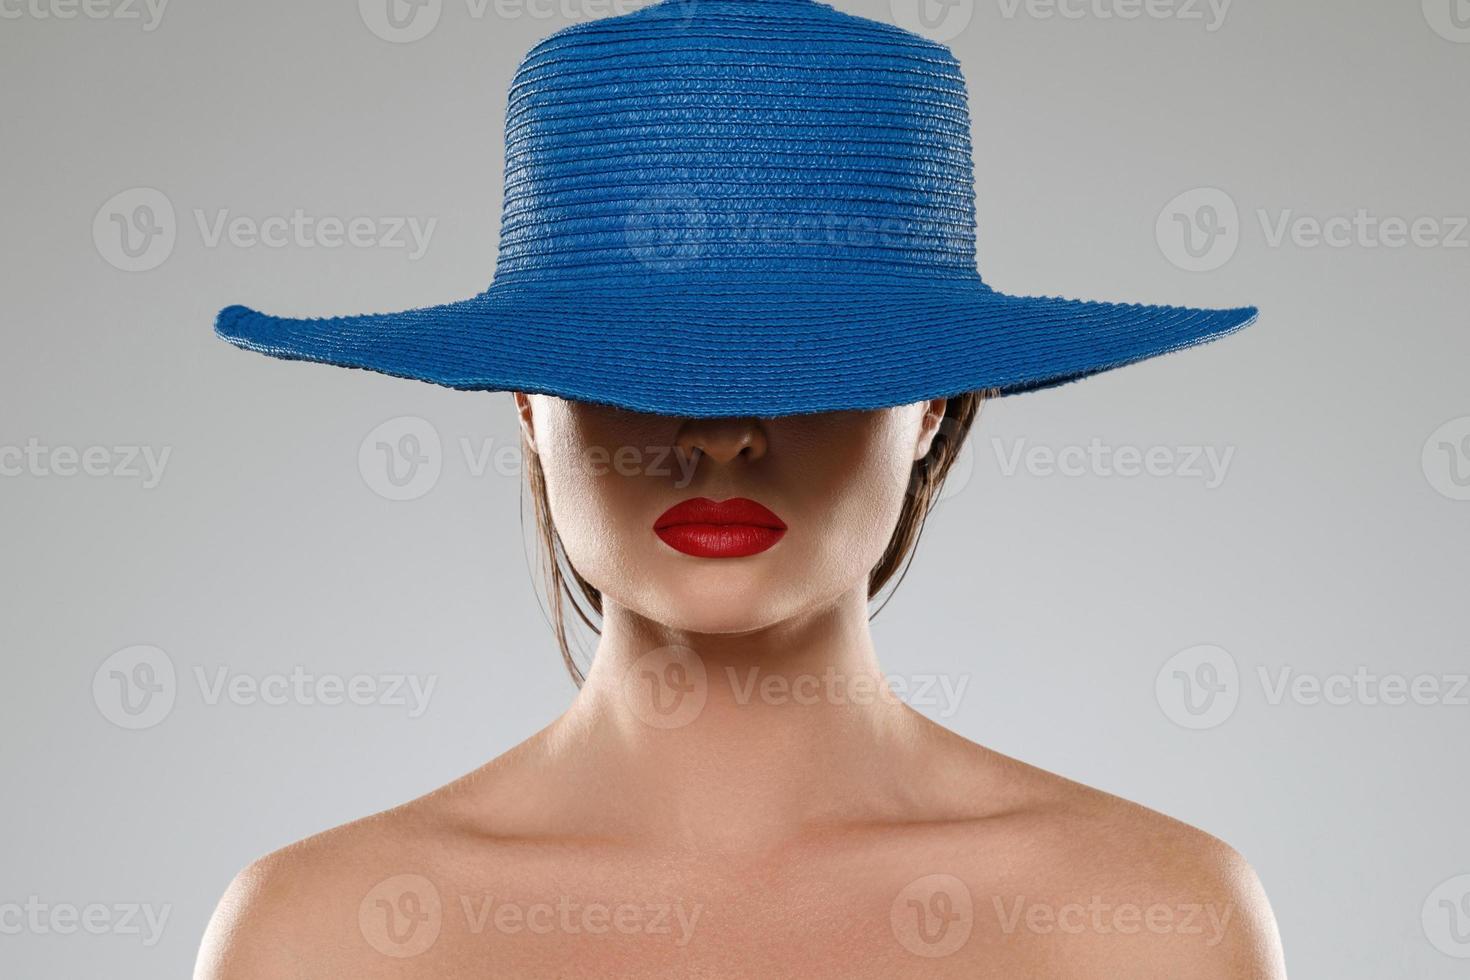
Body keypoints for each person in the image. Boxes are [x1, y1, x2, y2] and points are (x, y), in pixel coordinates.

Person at [197, 0, 1285, 975]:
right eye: (636, 367)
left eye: (811, 366)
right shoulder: (316, 937)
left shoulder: (1149, 924)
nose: (720, 437)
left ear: (938, 404)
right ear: (528, 401)